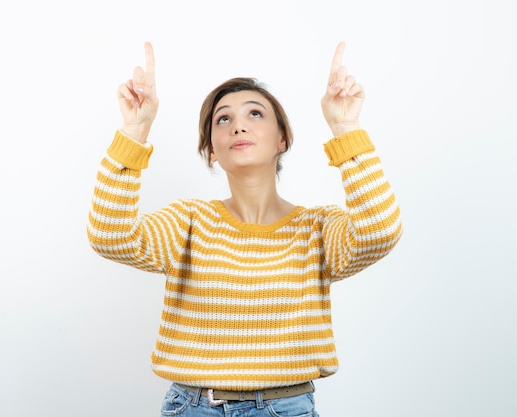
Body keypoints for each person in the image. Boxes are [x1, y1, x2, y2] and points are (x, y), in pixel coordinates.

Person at [87, 41, 402, 416]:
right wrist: (135, 129)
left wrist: (345, 127)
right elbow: (110, 235)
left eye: (255, 114)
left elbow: (380, 230)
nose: (238, 125)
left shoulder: (316, 229)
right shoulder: (189, 222)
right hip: (193, 407)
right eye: (223, 119)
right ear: (212, 151)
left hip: (287, 407)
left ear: (282, 139)